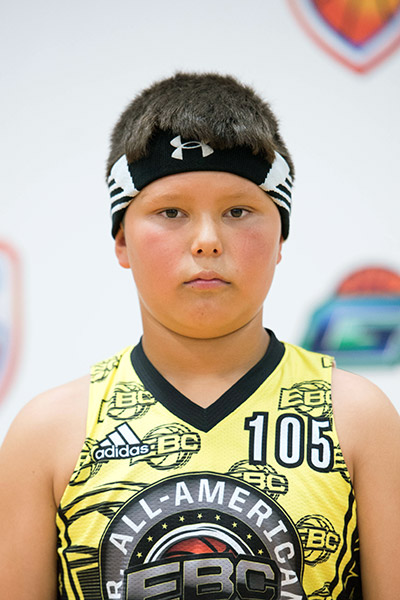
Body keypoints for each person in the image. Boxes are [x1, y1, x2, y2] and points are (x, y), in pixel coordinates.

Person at [0, 72, 399, 600]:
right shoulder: (48, 434)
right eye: (171, 212)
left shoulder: (358, 419)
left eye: (238, 211)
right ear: (122, 241)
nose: (207, 241)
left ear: (281, 236)